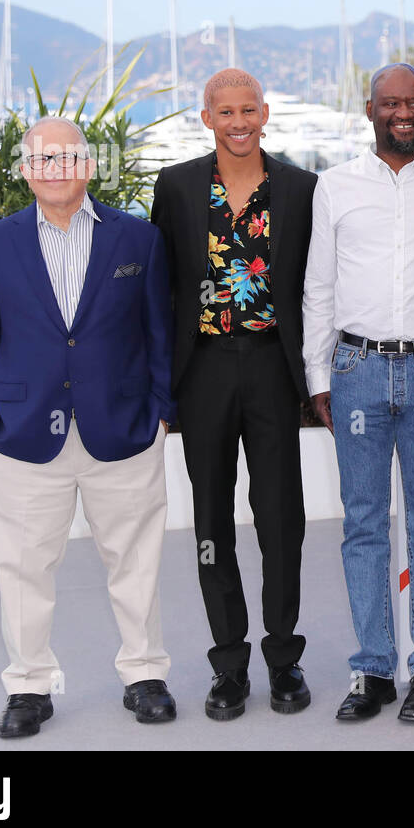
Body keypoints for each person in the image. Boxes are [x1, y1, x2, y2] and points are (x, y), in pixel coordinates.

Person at [0, 116, 176, 738]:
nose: (56, 169)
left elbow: (157, 332)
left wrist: (161, 410)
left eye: (68, 157)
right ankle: (29, 687)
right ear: (27, 171)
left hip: (124, 427)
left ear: (87, 165)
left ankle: (144, 675)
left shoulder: (137, 239)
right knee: (24, 567)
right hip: (23, 436)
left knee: (135, 560)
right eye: (43, 159)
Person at [151, 68, 318, 720]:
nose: (239, 120)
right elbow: (161, 287)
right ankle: (228, 664)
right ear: (207, 117)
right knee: (211, 521)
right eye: (226, 110)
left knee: (281, 517)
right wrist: (163, 387)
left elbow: (316, 284)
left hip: (274, 365)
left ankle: (283, 659)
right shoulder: (178, 186)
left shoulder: (301, 188)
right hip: (204, 369)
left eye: (249, 108)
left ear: (266, 112)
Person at [302, 63, 414, 723]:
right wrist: (318, 377)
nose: (403, 112)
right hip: (357, 370)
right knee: (363, 524)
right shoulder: (335, 187)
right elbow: (319, 288)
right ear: (369, 110)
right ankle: (373, 669)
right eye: (390, 102)